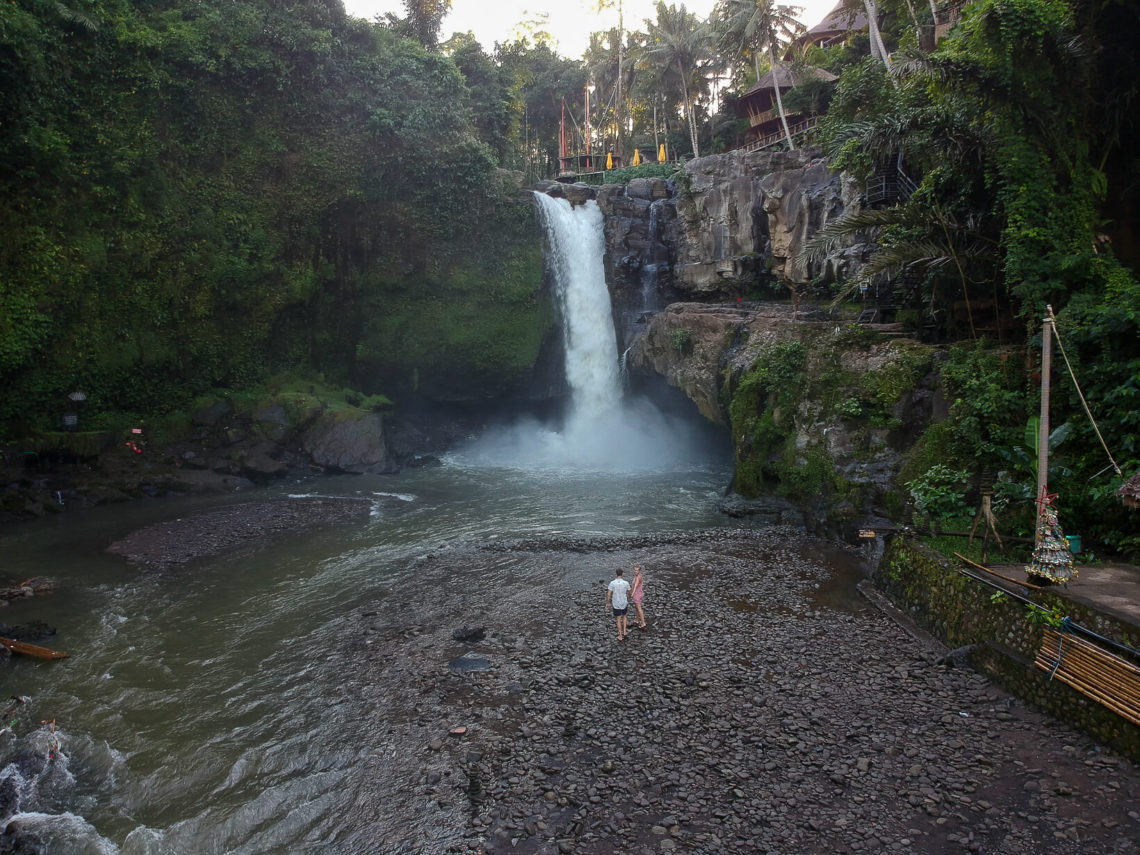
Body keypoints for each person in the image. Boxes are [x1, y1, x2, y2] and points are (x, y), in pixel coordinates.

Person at [605, 568, 632, 641]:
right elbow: (630, 592)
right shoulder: (626, 583)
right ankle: (625, 631)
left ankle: (620, 635)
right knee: (624, 616)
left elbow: (608, 594)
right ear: (622, 574)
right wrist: (629, 596)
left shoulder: (612, 583)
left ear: (616, 574)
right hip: (624, 602)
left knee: (618, 619)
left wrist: (607, 603)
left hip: (616, 603)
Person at [630, 564, 647, 629]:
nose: (635, 571)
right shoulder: (639, 575)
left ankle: (643, 623)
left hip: (637, 594)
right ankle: (637, 620)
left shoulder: (638, 577)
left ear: (639, 571)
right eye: (634, 570)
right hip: (639, 593)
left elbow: (635, 586)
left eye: (637, 570)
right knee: (637, 608)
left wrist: (632, 593)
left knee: (639, 608)